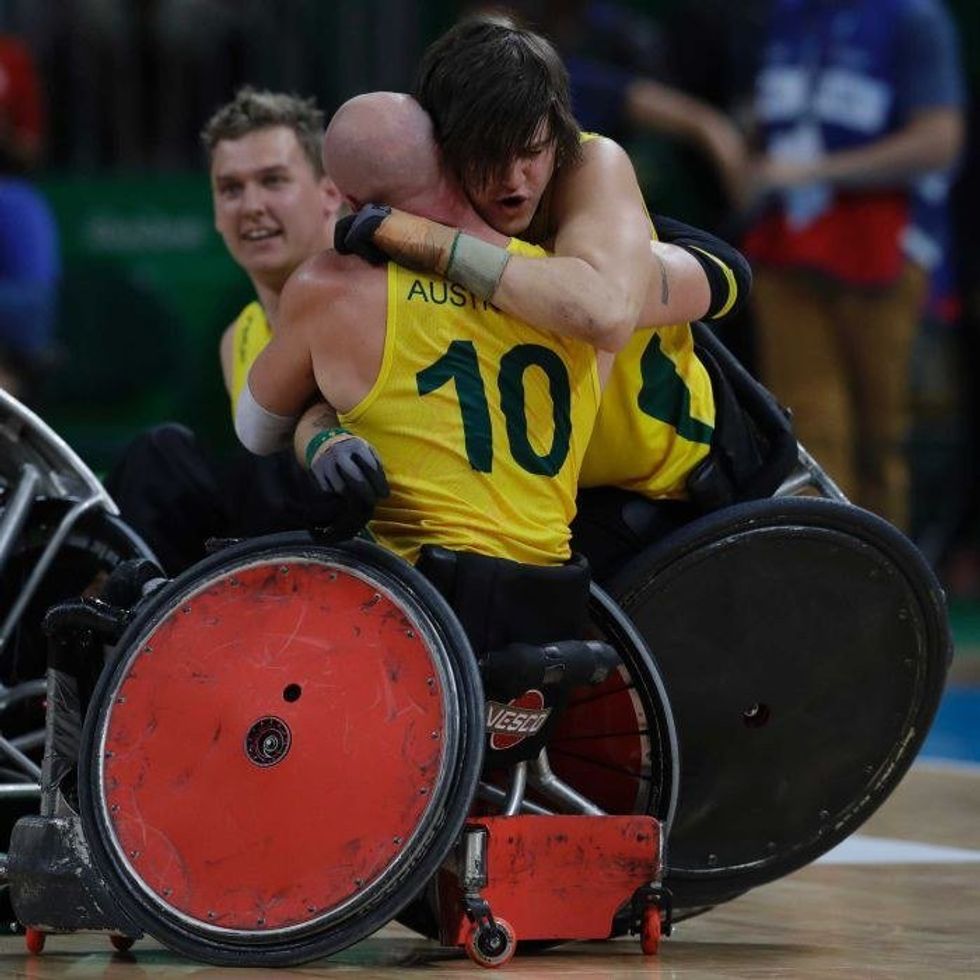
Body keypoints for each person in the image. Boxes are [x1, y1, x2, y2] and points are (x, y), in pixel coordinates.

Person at [335, 15, 782, 578]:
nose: (514, 179)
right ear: (442, 152)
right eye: (488, 155)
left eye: (531, 151)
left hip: (675, 499)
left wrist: (434, 242)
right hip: (541, 509)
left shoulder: (589, 164)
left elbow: (602, 314)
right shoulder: (404, 205)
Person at [239, 91, 611, 657]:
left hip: (417, 623)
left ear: (345, 200)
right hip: (549, 609)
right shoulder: (565, 284)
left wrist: (318, 423)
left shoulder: (330, 286)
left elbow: (255, 430)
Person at [740, 0, 965, 532]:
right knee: (808, 434)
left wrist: (814, 171)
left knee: (880, 439)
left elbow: (939, 141)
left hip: (880, 255)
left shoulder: (915, 18)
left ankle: (891, 596)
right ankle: (828, 599)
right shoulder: (783, 16)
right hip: (784, 250)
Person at [105, 87, 343, 574]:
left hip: (373, 554)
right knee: (155, 461)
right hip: (277, 562)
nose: (250, 205)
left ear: (330, 194)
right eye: (231, 189)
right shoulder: (238, 336)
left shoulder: (371, 295)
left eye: (273, 180)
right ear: (215, 213)